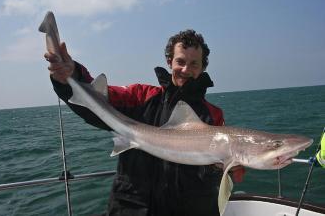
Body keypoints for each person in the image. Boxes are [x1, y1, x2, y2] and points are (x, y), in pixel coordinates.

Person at [45, 29, 245, 216]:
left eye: (194, 64)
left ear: (203, 67)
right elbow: (99, 101)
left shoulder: (213, 115)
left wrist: (226, 167)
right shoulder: (140, 96)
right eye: (180, 61)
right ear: (169, 61)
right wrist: (72, 76)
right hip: (132, 208)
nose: (186, 69)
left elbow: (228, 176)